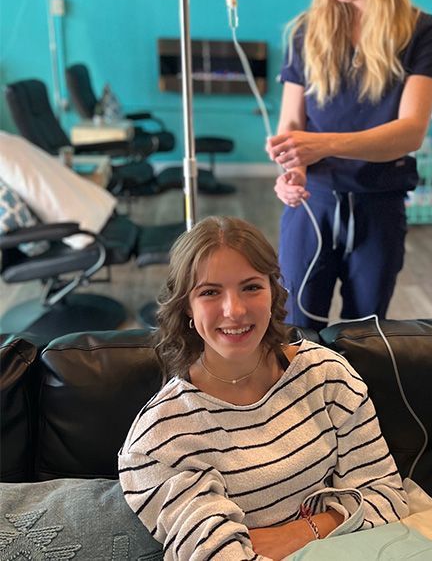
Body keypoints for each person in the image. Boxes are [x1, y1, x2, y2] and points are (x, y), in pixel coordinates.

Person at [118, 216, 408, 561]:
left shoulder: (327, 376)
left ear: (273, 294)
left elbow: (387, 495)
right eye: (210, 292)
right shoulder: (160, 438)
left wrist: (299, 532)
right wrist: (338, 518)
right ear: (186, 309)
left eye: (251, 287)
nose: (235, 310)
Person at [266, 0, 432, 329]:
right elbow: (291, 122)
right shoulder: (305, 33)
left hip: (378, 207)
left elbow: (411, 131)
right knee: (294, 329)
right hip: (313, 206)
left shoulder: (421, 32)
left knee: (364, 333)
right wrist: (292, 168)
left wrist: (322, 144)